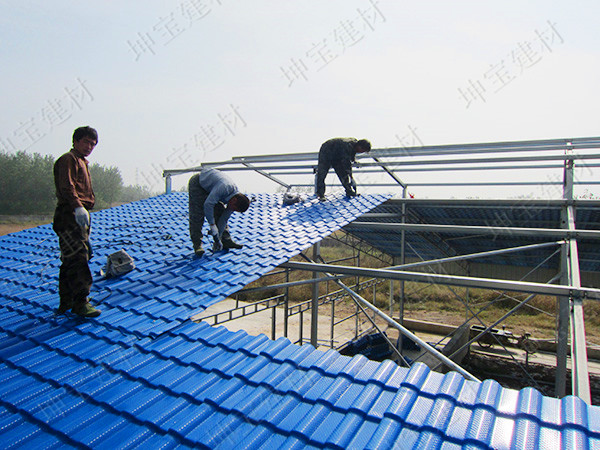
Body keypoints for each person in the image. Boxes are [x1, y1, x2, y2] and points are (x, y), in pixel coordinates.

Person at [53, 126, 101, 317]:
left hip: (78, 214)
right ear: (76, 141)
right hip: (70, 214)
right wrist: (77, 206)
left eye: (93, 144)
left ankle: (67, 301)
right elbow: (67, 186)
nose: (89, 146)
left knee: (70, 258)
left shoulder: (82, 162)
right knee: (77, 257)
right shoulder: (69, 159)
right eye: (86, 142)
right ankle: (81, 302)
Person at [188, 168, 250, 257]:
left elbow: (224, 219)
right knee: (197, 214)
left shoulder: (235, 200)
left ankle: (225, 240)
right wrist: (212, 225)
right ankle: (197, 245)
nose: (231, 210)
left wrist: (217, 239)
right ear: (234, 200)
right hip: (199, 183)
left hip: (211, 188)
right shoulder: (224, 187)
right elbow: (208, 204)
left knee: (220, 211)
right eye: (234, 208)